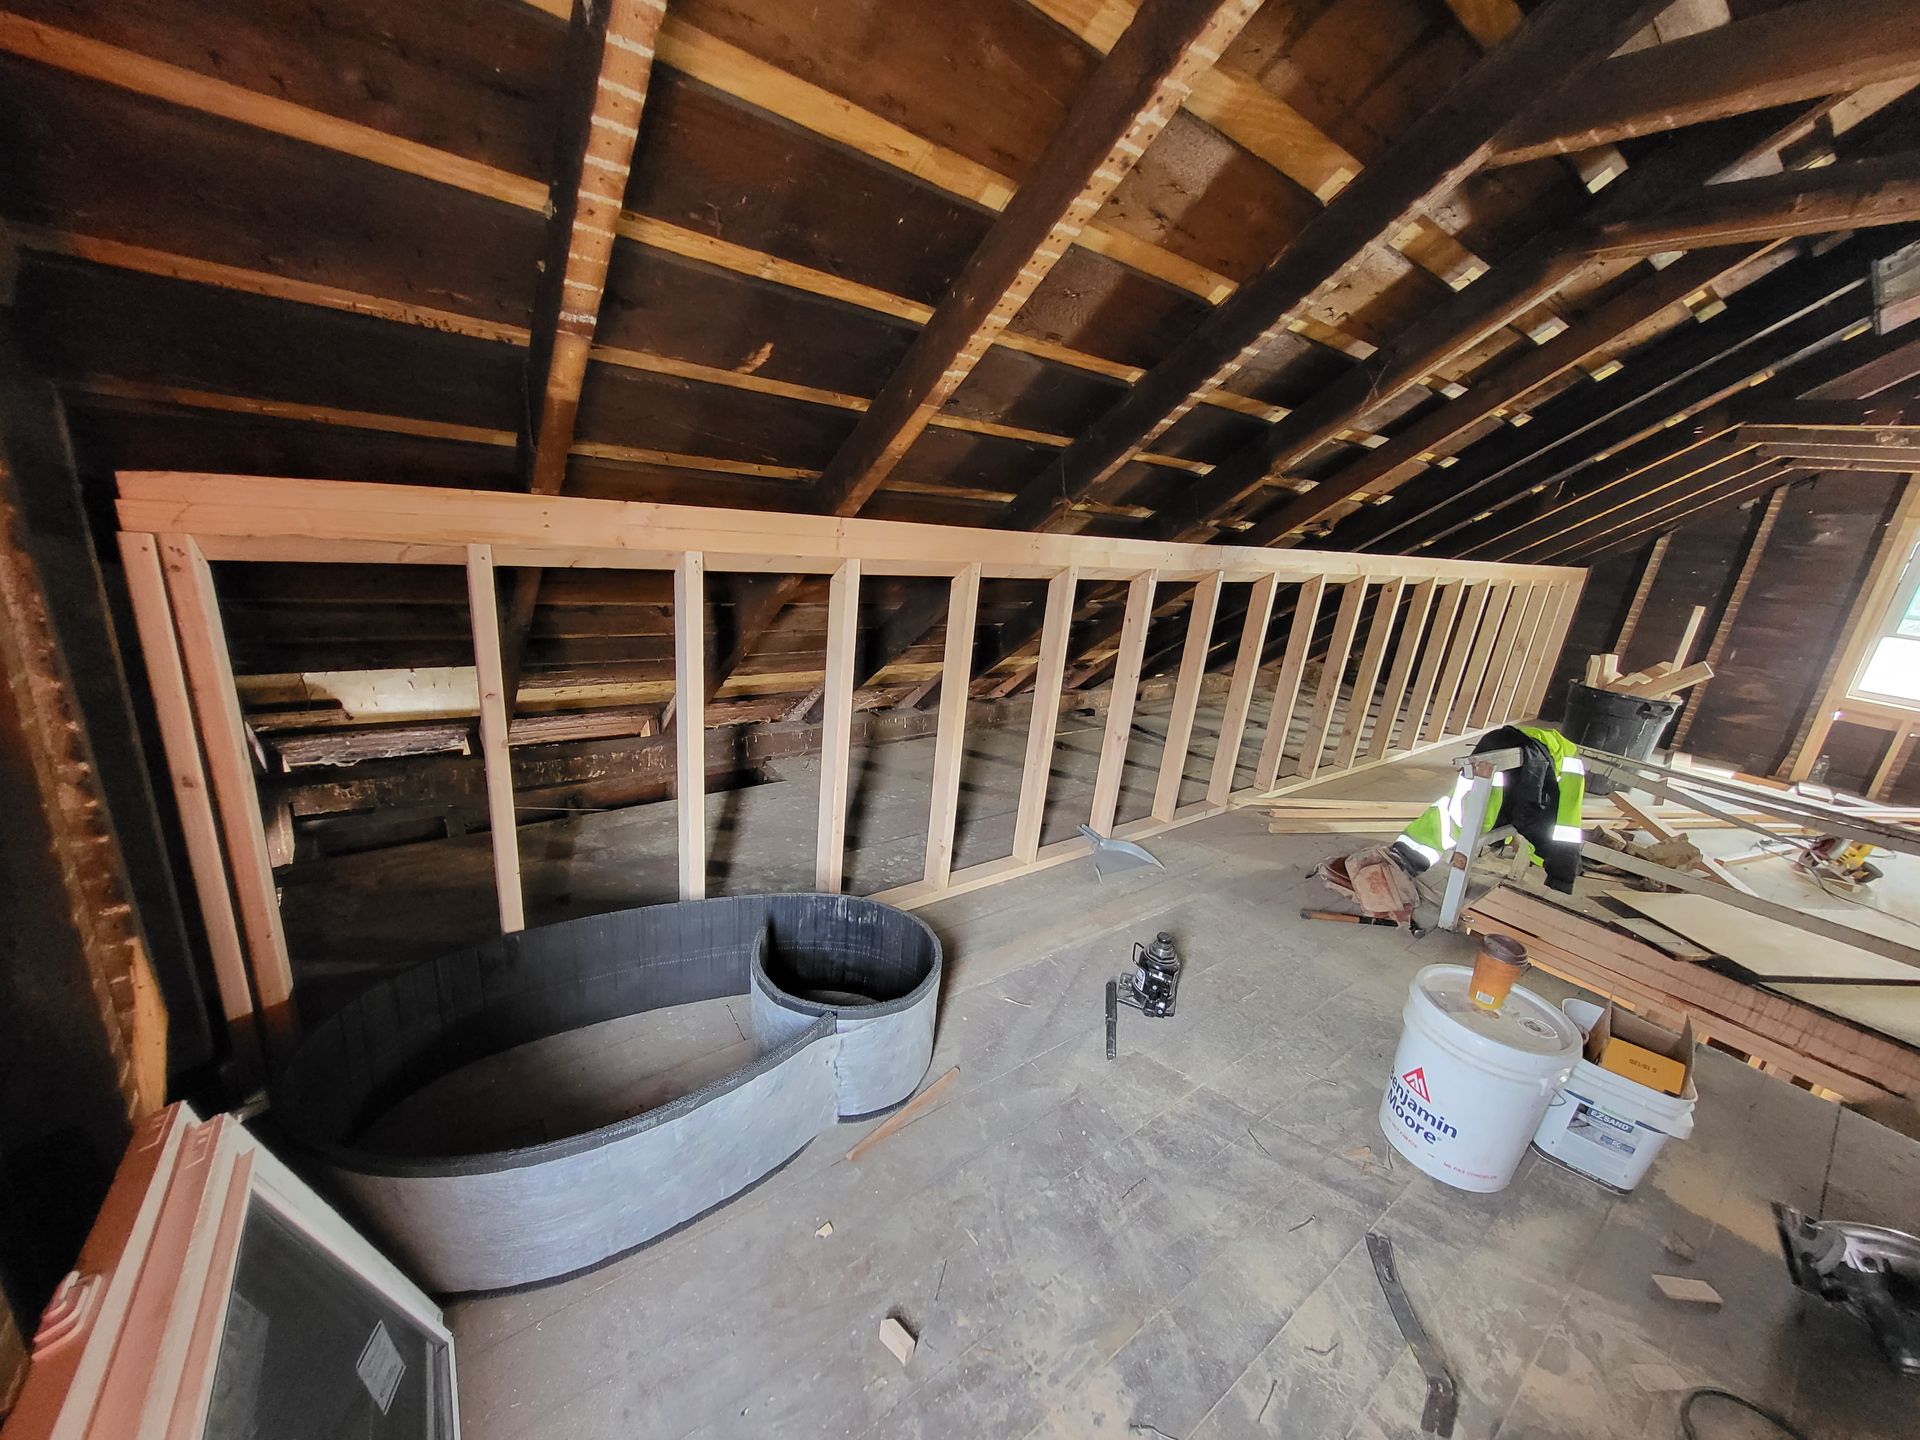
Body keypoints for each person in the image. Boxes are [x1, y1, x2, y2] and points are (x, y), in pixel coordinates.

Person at [1389, 725, 1586, 893]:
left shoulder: (1560, 750)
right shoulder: (1572, 763)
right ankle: (1404, 862)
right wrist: (1561, 872)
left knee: (1463, 807)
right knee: (1474, 818)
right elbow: (1568, 820)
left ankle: (1403, 857)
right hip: (1527, 755)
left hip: (1498, 741)